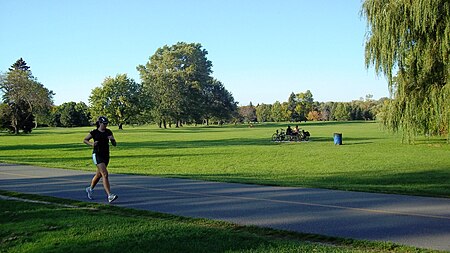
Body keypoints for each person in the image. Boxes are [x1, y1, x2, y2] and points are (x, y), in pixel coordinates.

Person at [83, 116, 118, 203]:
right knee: (105, 174)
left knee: (99, 175)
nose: (105, 125)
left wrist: (113, 140)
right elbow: (85, 140)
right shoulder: (94, 132)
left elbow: (114, 144)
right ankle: (109, 195)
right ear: (99, 123)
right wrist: (92, 144)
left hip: (105, 155)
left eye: (106, 124)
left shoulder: (108, 132)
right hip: (97, 154)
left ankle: (90, 189)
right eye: (104, 124)